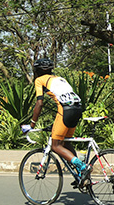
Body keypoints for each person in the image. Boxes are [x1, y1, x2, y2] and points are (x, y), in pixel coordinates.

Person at [21, 58, 88, 188]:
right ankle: (81, 174)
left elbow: (39, 103)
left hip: (65, 111)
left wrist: (32, 124)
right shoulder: (60, 79)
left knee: (55, 146)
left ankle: (82, 166)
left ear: (37, 70)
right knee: (66, 143)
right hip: (77, 109)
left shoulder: (39, 80)